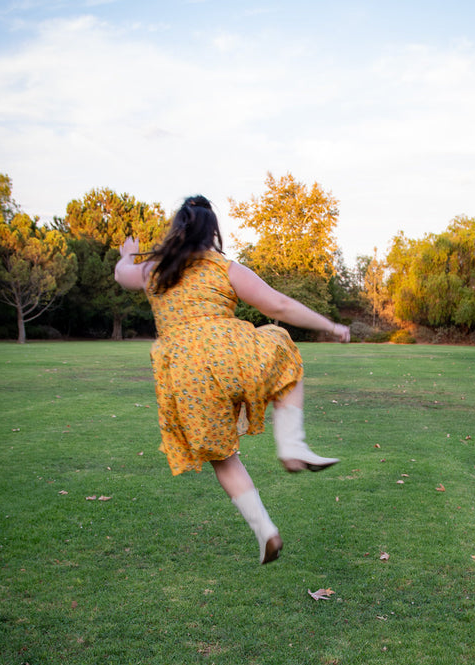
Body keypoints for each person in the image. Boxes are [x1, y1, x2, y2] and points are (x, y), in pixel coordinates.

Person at [114, 195, 350, 565]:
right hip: (229, 355)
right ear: (213, 232)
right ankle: (291, 445)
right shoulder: (224, 267)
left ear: (177, 229)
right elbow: (279, 306)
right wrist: (331, 325)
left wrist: (129, 254)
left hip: (184, 374)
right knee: (283, 353)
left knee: (223, 457)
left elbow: (120, 275)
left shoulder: (154, 270)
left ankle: (265, 531)